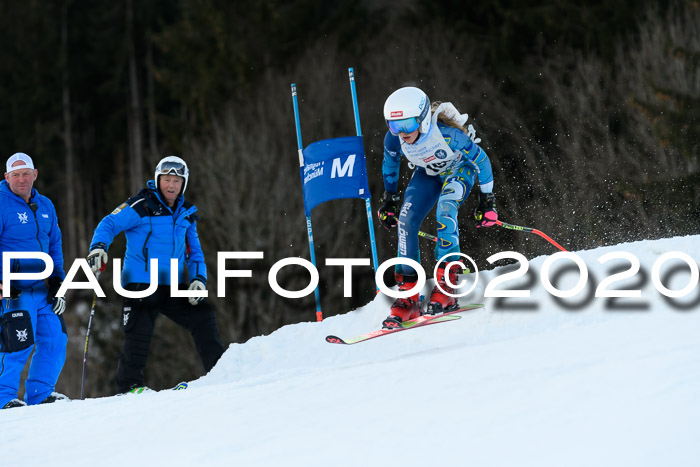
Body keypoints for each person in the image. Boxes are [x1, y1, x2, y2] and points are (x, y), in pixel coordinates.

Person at [87, 156, 225, 393]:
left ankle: (221, 372)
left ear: (184, 184)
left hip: (171, 283)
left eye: (177, 181)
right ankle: (130, 386)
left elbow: (196, 255)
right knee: (139, 332)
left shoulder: (186, 214)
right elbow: (109, 223)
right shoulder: (141, 205)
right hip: (140, 281)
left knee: (203, 316)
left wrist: (198, 280)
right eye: (167, 180)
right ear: (158, 180)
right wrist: (99, 247)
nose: (171, 186)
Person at [377, 87, 498, 328]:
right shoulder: (394, 139)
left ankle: (447, 285)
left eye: (408, 125)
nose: (402, 133)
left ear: (422, 120)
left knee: (445, 208)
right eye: (394, 125)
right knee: (406, 220)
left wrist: (487, 200)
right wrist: (389, 198)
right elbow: (389, 161)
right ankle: (408, 295)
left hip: (458, 169)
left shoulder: (448, 135)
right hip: (428, 173)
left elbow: (481, 160)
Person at [0, 153, 68, 409]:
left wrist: (58, 280)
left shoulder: (46, 206)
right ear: (6, 177)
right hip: (14, 289)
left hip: (43, 289)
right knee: (16, 342)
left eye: (25, 174)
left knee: (55, 338)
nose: (21, 179)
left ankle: (41, 393)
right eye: (15, 175)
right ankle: (3, 397)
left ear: (35, 175)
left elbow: (55, 245)